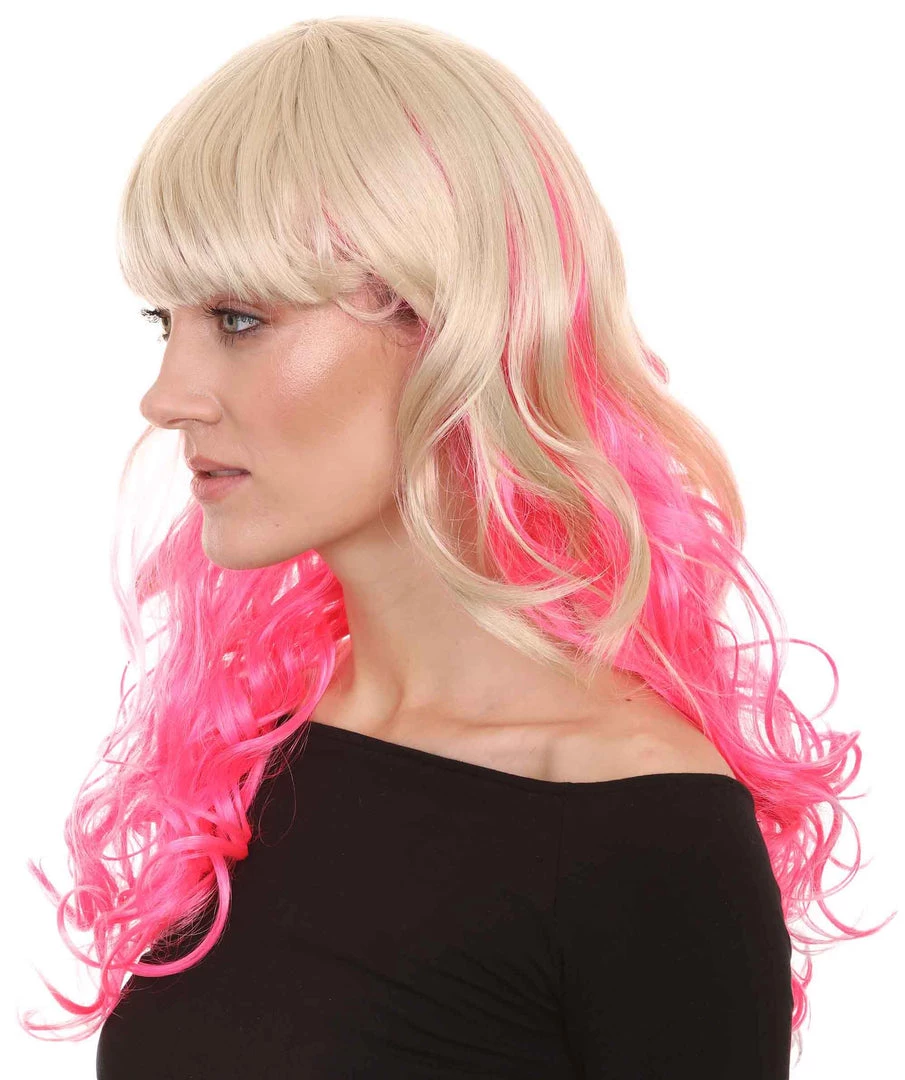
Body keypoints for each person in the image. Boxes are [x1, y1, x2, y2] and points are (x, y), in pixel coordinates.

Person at [21, 14, 891, 1078]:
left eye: (239, 319)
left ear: (448, 327)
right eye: (167, 322)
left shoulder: (638, 829)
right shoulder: (269, 751)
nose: (166, 397)